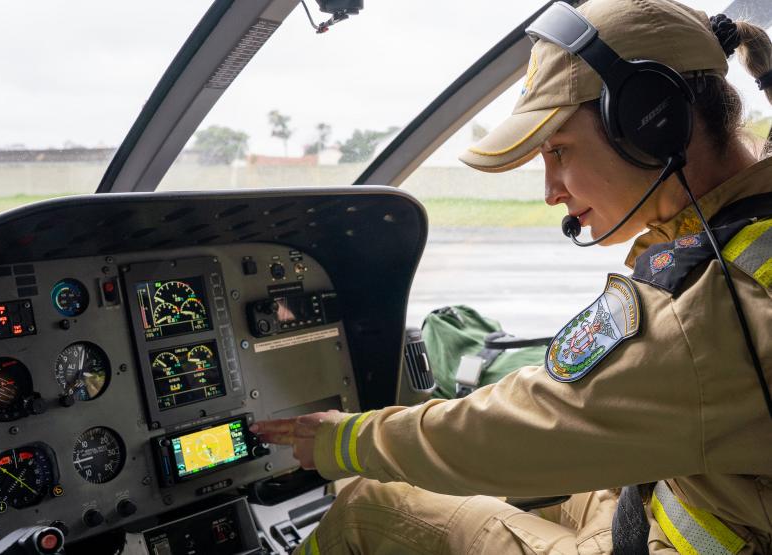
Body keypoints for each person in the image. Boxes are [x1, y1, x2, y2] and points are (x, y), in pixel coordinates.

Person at [250, 0, 772, 553]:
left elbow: (526, 423)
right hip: (678, 497)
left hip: (672, 537)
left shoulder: (708, 309)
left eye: (559, 151)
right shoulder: (742, 231)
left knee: (365, 503)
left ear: (651, 122)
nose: (551, 192)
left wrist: (343, 441)